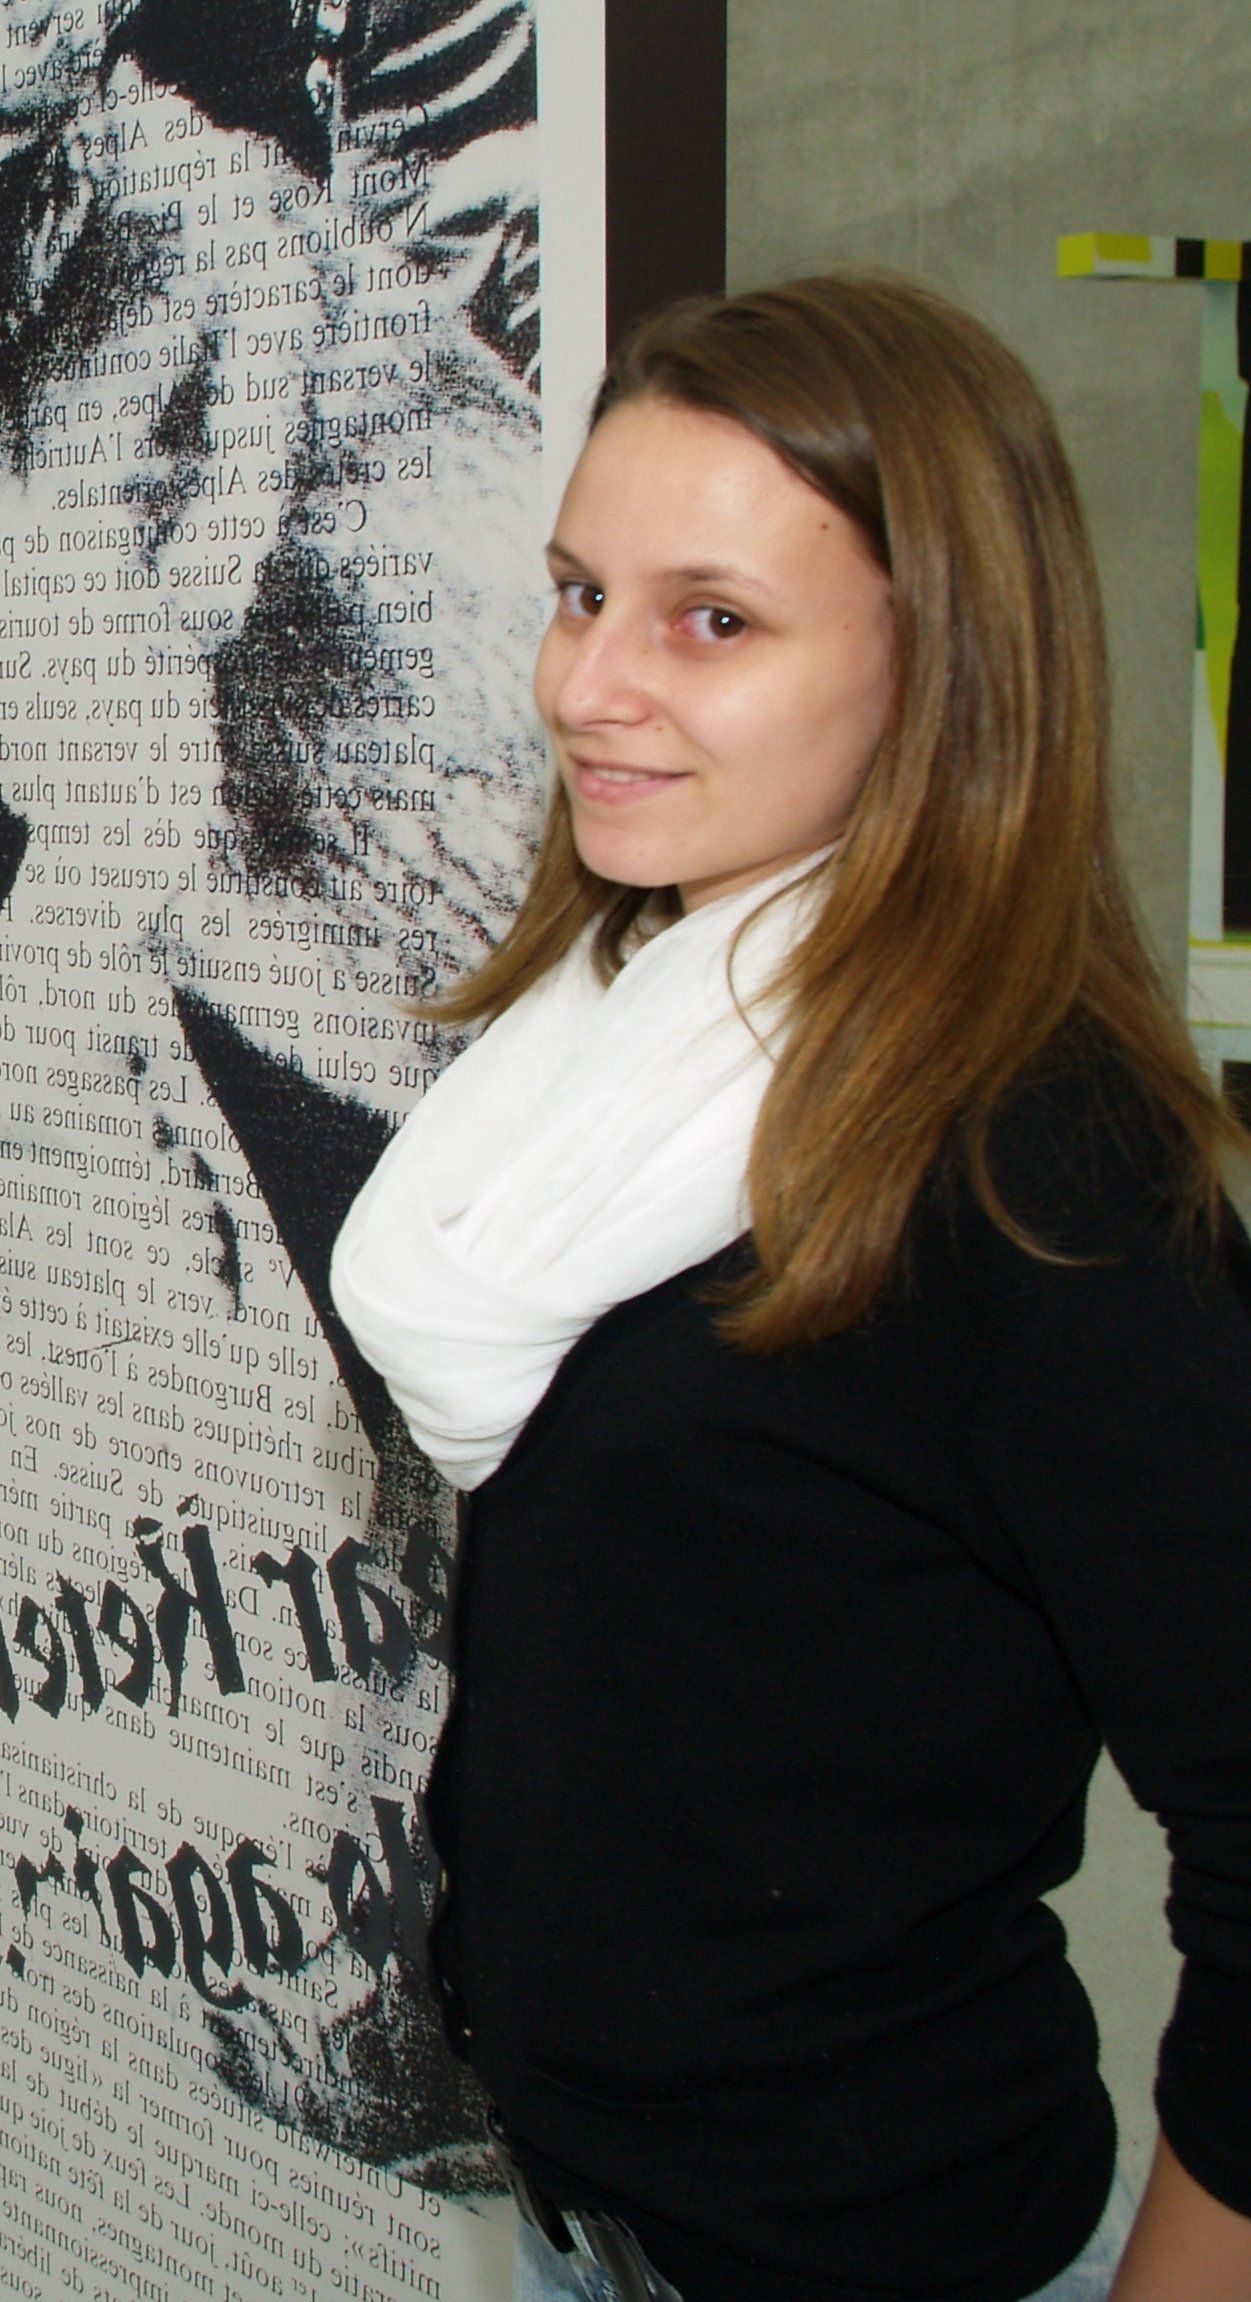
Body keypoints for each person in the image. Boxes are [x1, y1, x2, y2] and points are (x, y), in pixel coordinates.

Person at [330, 271, 1251, 2301]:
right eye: (580, 593)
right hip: (587, 2220)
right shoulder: (615, 1025)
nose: (587, 683)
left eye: (712, 620)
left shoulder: (1040, 1160)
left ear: (937, 663)